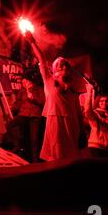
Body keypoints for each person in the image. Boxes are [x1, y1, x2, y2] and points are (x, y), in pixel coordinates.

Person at [26, 32, 86, 161]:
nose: (63, 66)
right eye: (60, 65)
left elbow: (79, 114)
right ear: (54, 70)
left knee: (72, 156)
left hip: (72, 123)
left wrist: (82, 132)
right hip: (55, 121)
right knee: (57, 154)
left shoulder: (72, 91)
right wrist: (32, 42)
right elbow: (41, 59)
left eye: (65, 64)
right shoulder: (49, 80)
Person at [6, 71, 45, 162]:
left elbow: (43, 102)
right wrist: (12, 108)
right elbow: (18, 103)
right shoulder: (22, 91)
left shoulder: (38, 89)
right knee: (9, 125)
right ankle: (17, 145)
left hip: (35, 116)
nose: (24, 83)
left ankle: (35, 161)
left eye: (25, 81)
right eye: (23, 82)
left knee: (34, 140)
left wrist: (33, 98)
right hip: (23, 115)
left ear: (30, 81)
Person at [84, 85, 108, 158]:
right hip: (96, 147)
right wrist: (89, 93)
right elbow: (87, 110)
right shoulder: (95, 114)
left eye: (106, 101)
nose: (104, 103)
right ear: (98, 102)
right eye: (101, 101)